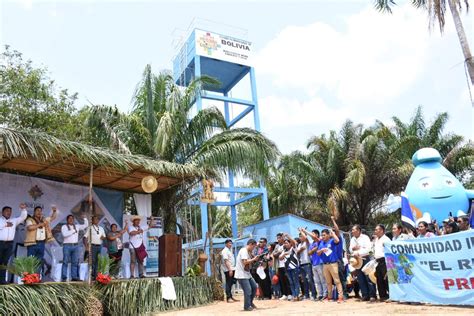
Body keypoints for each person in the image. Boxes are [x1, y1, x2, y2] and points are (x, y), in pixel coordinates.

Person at [25, 206, 58, 275]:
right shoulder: (30, 219)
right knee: (30, 261)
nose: (39, 212)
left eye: (40, 211)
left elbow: (53, 218)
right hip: (32, 244)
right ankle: (29, 278)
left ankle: (36, 277)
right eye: (37, 210)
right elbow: (29, 227)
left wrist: (54, 211)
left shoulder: (44, 220)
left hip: (41, 243)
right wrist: (39, 224)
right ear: (34, 212)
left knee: (39, 261)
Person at [0, 204, 28, 284]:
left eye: (10, 211)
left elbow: (23, 217)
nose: (9, 213)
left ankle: (2, 280)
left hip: (9, 244)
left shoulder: (14, 220)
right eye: (7, 211)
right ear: (2, 212)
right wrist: (6, 224)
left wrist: (23, 210)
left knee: (4, 262)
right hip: (0, 243)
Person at [349, 225, 376, 302]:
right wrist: (353, 249)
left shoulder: (365, 238)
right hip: (357, 260)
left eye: (353, 230)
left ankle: (372, 295)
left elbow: (368, 249)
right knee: (360, 278)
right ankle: (365, 295)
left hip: (365, 258)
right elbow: (350, 249)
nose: (352, 231)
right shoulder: (352, 239)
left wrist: (358, 252)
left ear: (358, 230)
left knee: (368, 277)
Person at [317, 229, 344, 303]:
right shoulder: (321, 243)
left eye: (324, 235)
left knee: (337, 281)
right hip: (325, 265)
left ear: (328, 235)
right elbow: (318, 253)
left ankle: (340, 297)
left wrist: (332, 233)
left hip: (333, 264)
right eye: (322, 235)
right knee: (328, 282)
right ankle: (329, 297)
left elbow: (337, 240)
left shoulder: (332, 241)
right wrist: (322, 250)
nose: (322, 236)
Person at [61, 213, 89, 281]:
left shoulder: (77, 226)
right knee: (65, 261)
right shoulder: (64, 226)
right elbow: (65, 234)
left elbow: (86, 225)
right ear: (67, 220)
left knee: (75, 262)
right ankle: (64, 277)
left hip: (75, 246)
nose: (71, 220)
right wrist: (74, 230)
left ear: (73, 220)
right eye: (69, 218)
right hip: (67, 246)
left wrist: (85, 218)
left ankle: (74, 277)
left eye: (72, 218)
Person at [235, 239, 260, 311]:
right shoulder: (243, 251)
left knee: (254, 287)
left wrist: (255, 258)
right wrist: (254, 259)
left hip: (247, 274)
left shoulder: (248, 252)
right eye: (253, 246)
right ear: (250, 244)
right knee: (248, 290)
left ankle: (250, 303)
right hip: (241, 274)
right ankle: (247, 306)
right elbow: (245, 262)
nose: (253, 248)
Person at [305, 228, 327, 300]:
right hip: (314, 264)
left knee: (322, 280)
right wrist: (314, 249)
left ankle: (325, 294)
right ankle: (320, 294)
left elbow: (312, 251)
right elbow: (309, 253)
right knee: (317, 281)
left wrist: (305, 231)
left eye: (313, 233)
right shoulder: (312, 244)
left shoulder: (319, 241)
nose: (312, 235)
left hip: (320, 263)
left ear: (317, 235)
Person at [296, 229, 316, 300]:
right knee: (304, 281)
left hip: (308, 263)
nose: (300, 237)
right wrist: (300, 249)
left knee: (310, 280)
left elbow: (306, 238)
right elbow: (297, 252)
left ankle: (314, 295)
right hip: (301, 264)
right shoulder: (299, 245)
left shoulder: (307, 242)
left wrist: (302, 231)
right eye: (300, 236)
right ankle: (307, 295)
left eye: (302, 236)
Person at [85, 215, 106, 280]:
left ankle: (96, 275)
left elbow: (104, 237)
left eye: (97, 219)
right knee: (92, 261)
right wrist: (86, 246)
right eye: (95, 219)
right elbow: (85, 237)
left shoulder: (101, 228)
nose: (96, 220)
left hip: (99, 246)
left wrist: (103, 237)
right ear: (92, 221)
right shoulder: (90, 228)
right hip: (92, 246)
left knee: (98, 261)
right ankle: (92, 275)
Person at [373, 224, 391, 301]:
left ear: (382, 230)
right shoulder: (376, 239)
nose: (375, 231)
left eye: (377, 230)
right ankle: (383, 295)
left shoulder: (386, 239)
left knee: (386, 278)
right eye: (375, 229)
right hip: (377, 261)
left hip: (385, 260)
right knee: (379, 279)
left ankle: (391, 295)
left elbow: (389, 251)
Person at [280, 236, 299, 301]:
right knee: (291, 282)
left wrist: (287, 235)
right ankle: (294, 295)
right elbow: (280, 258)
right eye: (284, 243)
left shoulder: (293, 248)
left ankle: (297, 295)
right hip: (287, 269)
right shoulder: (284, 250)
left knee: (295, 282)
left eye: (287, 243)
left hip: (294, 268)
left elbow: (294, 242)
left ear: (290, 243)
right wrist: (284, 254)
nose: (285, 244)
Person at [272, 232, 291, 300]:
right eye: (277, 238)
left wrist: (278, 253)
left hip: (285, 265)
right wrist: (279, 252)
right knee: (282, 281)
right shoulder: (277, 246)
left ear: (283, 238)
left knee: (287, 280)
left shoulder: (285, 244)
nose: (278, 239)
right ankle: (284, 294)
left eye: (279, 238)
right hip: (279, 266)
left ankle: (289, 294)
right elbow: (274, 254)